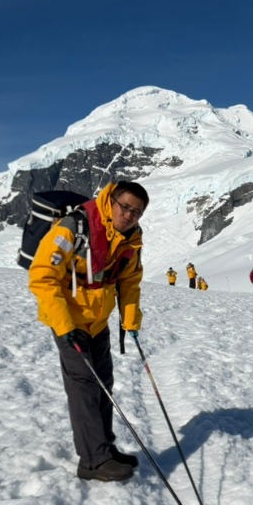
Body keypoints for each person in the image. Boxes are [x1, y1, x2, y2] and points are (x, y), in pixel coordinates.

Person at [29, 180, 149, 483]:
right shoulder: (74, 226)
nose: (129, 215)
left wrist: (130, 321)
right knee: (83, 386)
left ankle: (105, 447)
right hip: (69, 322)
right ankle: (93, 461)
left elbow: (130, 282)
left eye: (136, 212)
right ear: (112, 201)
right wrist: (63, 324)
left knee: (103, 383)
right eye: (125, 207)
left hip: (98, 321)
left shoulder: (131, 238)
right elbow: (43, 276)